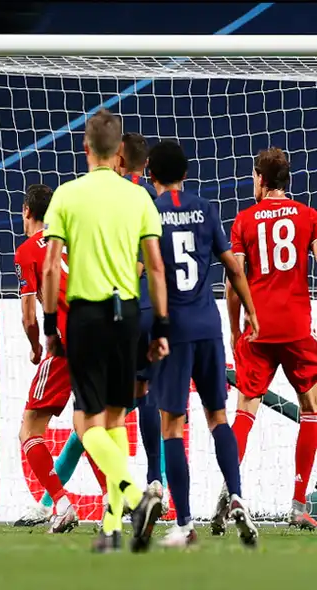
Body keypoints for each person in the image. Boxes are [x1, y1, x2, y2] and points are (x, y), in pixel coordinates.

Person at [41, 108, 169, 553]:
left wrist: (49, 326)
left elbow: (52, 267)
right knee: (117, 418)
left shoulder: (67, 195)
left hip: (88, 317)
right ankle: (111, 528)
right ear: (119, 154)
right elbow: (155, 265)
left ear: (86, 148)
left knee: (85, 420)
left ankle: (135, 498)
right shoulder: (139, 199)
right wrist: (161, 325)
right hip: (131, 316)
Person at [146, 140, 259, 548]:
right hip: (209, 324)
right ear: (187, 173)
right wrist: (251, 312)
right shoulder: (207, 209)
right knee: (218, 417)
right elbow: (233, 265)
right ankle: (238, 497)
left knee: (171, 425)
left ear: (149, 175)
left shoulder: (151, 212)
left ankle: (185, 523)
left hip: (174, 329)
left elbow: (148, 269)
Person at [218, 147, 317, 532]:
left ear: (261, 178)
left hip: (258, 328)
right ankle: (297, 503)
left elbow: (232, 282)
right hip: (295, 327)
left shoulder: (244, 220)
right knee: (311, 404)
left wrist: (234, 327)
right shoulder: (308, 216)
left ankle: (231, 494)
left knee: (246, 408)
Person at [14, 183, 107, 533]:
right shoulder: (74, 237)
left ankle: (62, 504)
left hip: (66, 343)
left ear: (27, 212)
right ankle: (112, 504)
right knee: (88, 427)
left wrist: (37, 347)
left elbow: (28, 316)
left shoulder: (27, 251)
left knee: (29, 429)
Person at [120, 132, 166, 502]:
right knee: (145, 390)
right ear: (146, 164)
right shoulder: (152, 197)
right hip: (151, 305)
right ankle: (155, 479)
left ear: (120, 159)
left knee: (113, 399)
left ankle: (118, 489)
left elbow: (137, 256)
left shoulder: (115, 194)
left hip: (121, 304)